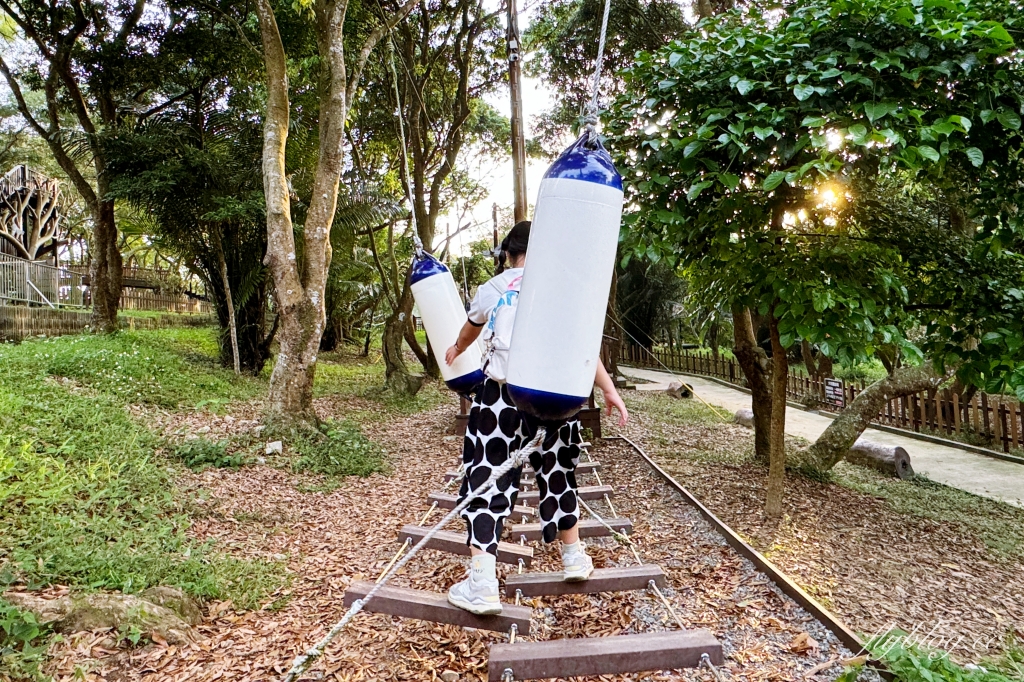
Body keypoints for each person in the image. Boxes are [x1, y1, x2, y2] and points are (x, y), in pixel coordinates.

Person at [443, 220, 629, 615]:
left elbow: (470, 331)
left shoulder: (492, 289)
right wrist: (608, 389)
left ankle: (482, 582)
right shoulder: (563, 288)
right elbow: (583, 346)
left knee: (485, 476)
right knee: (560, 472)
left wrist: (456, 349)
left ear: (508, 255)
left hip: (501, 397)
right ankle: (573, 557)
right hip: (555, 395)